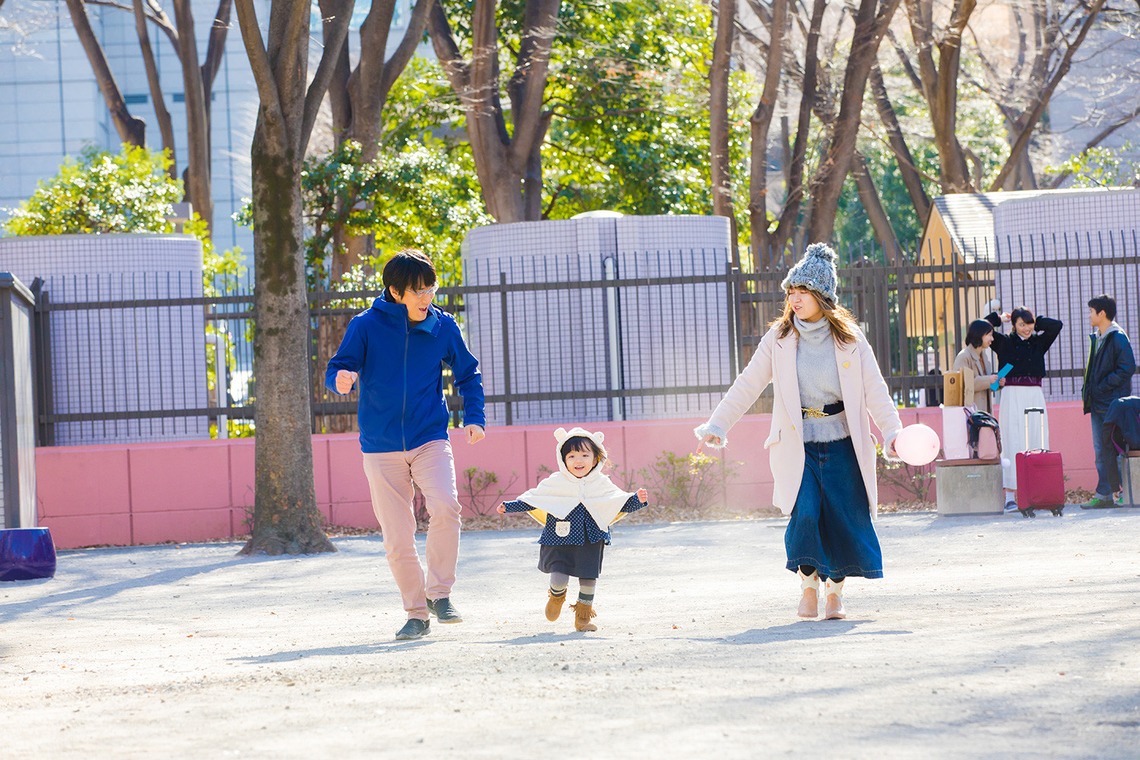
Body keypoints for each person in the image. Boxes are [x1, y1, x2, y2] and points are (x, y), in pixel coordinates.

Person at [695, 243, 902, 621]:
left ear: (822, 296)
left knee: (843, 515)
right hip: (798, 445)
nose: (794, 298)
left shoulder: (850, 339)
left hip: (843, 443)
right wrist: (718, 423)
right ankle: (808, 588)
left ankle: (835, 593)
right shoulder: (778, 339)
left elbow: (875, 390)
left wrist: (893, 433)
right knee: (804, 513)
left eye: (802, 291)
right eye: (791, 291)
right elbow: (748, 383)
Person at [326, 249, 486, 641]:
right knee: (397, 537)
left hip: (430, 437)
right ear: (395, 291)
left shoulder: (442, 326)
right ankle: (416, 613)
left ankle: (440, 594)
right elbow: (337, 366)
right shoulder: (365, 326)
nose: (425, 297)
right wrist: (341, 379)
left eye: (429, 288)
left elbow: (469, 373)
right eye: (416, 291)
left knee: (447, 507)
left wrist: (475, 417)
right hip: (379, 447)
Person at [497, 428, 648, 632]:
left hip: (591, 538)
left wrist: (636, 500)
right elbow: (533, 499)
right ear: (563, 459)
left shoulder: (601, 483)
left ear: (595, 459)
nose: (579, 460)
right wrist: (510, 506)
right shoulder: (556, 482)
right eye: (572, 455)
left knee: (588, 580)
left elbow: (618, 503)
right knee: (559, 575)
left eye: (585, 455)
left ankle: (582, 619)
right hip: (559, 537)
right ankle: (556, 597)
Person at [985, 306, 1063, 512]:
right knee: (1012, 437)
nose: (1026, 328)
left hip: (1034, 394)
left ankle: (1038, 491)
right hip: (1011, 395)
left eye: (1029, 324)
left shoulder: (1039, 342)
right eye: (1021, 324)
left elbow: (1057, 326)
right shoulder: (1004, 343)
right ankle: (1010, 495)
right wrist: (998, 318)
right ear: (1014, 325)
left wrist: (1035, 321)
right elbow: (983, 327)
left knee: (1037, 437)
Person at [1080, 294, 1136, 509]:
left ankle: (1124, 493)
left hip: (1113, 404)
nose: (1089, 316)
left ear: (1101, 313)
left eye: (1091, 312)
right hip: (1098, 404)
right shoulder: (1098, 337)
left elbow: (1127, 368)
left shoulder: (1117, 337)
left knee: (1117, 449)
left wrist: (1102, 386)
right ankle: (1104, 494)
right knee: (1101, 451)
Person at [953, 319, 1000, 413]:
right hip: (970, 413)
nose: (992, 339)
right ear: (979, 334)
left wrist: (998, 383)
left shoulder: (984, 356)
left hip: (985, 412)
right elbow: (964, 385)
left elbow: (986, 386)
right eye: (989, 335)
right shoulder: (964, 356)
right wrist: (989, 379)